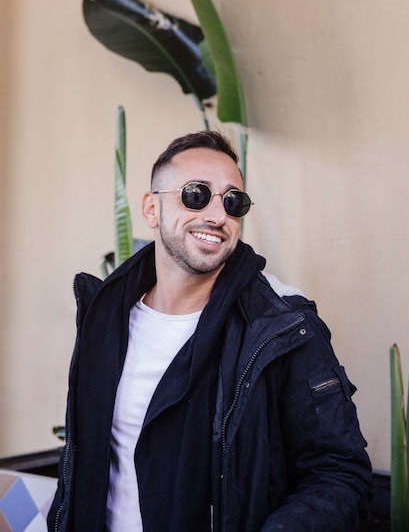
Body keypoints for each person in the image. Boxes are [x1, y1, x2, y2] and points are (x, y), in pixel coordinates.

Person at [48, 130, 373, 532]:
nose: (218, 217)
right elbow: (83, 458)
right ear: (152, 209)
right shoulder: (105, 318)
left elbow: (340, 472)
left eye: (233, 202)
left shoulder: (282, 327)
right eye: (196, 194)